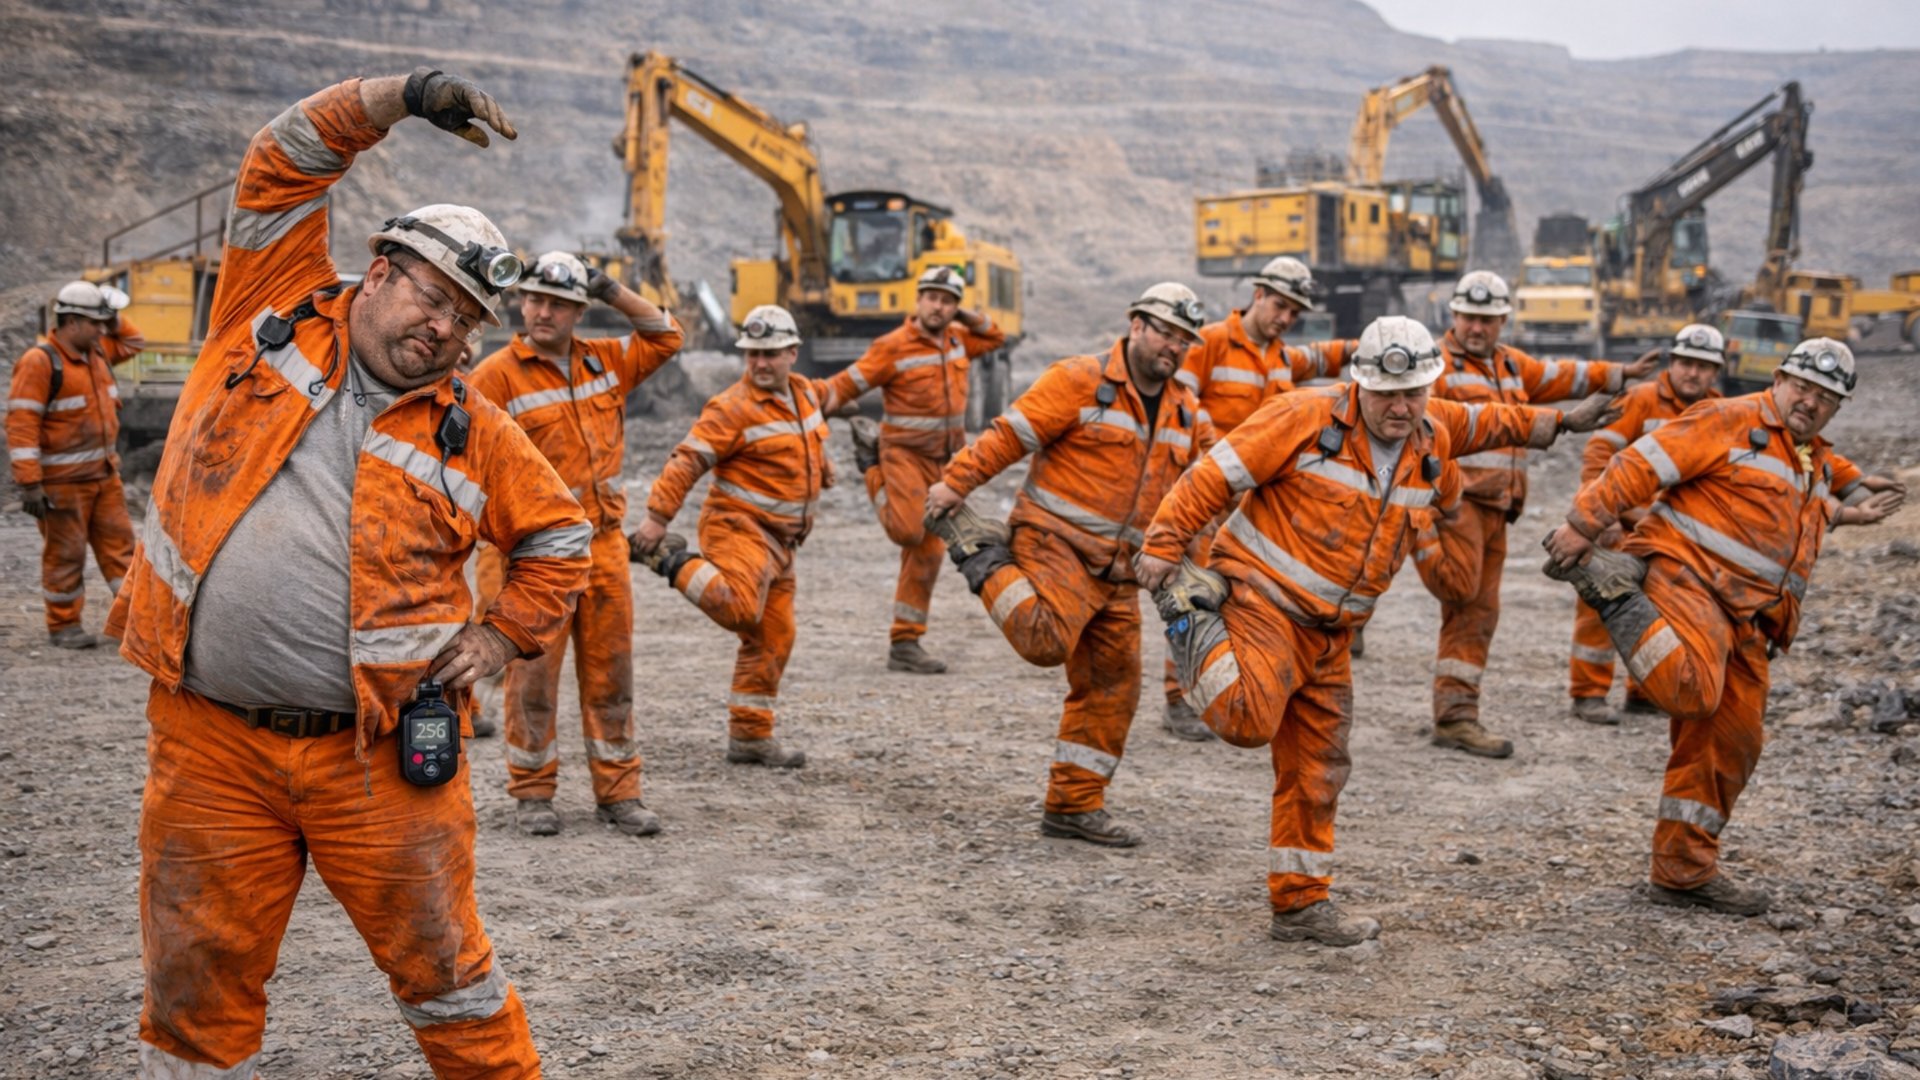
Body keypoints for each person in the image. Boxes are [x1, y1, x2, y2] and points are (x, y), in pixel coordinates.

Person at [106, 70, 584, 1077]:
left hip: (381, 759)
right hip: (210, 744)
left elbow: (559, 541)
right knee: (194, 990)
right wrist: (401, 96)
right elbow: (279, 161)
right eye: (433, 296)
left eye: (466, 318)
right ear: (377, 272)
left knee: (449, 978)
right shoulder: (263, 313)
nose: (445, 328)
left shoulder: (476, 431)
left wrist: (502, 636)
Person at [1136, 316, 1622, 944]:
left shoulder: (1434, 431)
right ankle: (1188, 614)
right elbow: (1212, 476)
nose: (1401, 407)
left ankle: (1301, 905)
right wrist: (1164, 546)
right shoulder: (1302, 417)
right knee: (1246, 718)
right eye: (1387, 394)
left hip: (1332, 633)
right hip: (1262, 602)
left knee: (1320, 767)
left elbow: (1493, 421)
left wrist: (1563, 422)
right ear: (1360, 384)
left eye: (1413, 394)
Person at [1544, 339, 1905, 915]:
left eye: (1825, 397)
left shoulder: (1809, 459)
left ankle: (1682, 872)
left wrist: (1856, 495)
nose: (1810, 402)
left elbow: (1806, 504)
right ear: (1778, 379)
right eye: (1803, 388)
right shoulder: (1728, 418)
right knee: (1692, 690)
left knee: (1733, 742)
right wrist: (1583, 526)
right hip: (1690, 578)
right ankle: (1615, 593)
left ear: (1837, 407)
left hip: (1751, 618)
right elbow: (1639, 463)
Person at [923, 283, 1214, 847]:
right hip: (1055, 542)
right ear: (1136, 325)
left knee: (1114, 686)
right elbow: (1010, 435)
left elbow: (1204, 491)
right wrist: (955, 484)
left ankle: (1073, 807)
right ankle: (979, 552)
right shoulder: (1080, 379)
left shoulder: (1186, 409)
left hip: (1120, 574)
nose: (1174, 347)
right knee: (1045, 639)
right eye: (1166, 333)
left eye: (1184, 340)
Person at [469, 251, 683, 837]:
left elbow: (667, 336)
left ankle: (620, 793)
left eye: (559, 304)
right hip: (532, 555)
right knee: (532, 677)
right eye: (535, 299)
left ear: (579, 312)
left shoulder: (606, 361)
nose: (543, 312)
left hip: (604, 546)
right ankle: (532, 791)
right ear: (521, 303)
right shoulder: (496, 375)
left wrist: (612, 288)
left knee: (612, 674)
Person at [1422, 270, 1655, 758]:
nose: (1476, 327)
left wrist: (1619, 374)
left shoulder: (1510, 366)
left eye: (1487, 319)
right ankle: (1454, 714)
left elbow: (1561, 375)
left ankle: (1457, 715)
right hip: (1459, 504)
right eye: (1468, 317)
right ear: (1454, 314)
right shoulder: (1438, 367)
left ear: (1503, 320)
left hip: (1497, 508)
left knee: (1482, 611)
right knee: (1465, 601)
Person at [1161, 255, 1358, 738]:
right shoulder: (1210, 343)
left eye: (1295, 311)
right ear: (1257, 296)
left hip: (1252, 508)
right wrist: (1215, 467)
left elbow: (1325, 357)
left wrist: (1373, 346)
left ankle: (1222, 693)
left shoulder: (1283, 359)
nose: (1286, 317)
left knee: (1239, 601)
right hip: (1209, 498)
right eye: (1279, 306)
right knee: (1193, 597)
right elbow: (1180, 406)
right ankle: (1178, 700)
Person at [629, 305, 832, 769]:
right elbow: (687, 460)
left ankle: (750, 736)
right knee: (739, 608)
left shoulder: (804, 394)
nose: (760, 363)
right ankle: (667, 559)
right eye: (752, 354)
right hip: (738, 527)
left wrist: (827, 467)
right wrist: (657, 518)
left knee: (775, 635)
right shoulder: (731, 407)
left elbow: (810, 439)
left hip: (782, 542)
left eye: (770, 353)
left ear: (793, 353)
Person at [817, 265, 1006, 674]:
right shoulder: (892, 347)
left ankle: (905, 642)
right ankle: (871, 466)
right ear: (918, 300)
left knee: (928, 552)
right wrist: (805, 406)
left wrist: (965, 315)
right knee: (907, 531)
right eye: (932, 298)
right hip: (902, 456)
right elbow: (843, 385)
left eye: (947, 301)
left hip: (946, 463)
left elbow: (996, 336)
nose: (938, 307)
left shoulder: (958, 339)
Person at [1568, 323, 1725, 725]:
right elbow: (1599, 453)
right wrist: (1598, 517)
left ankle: (1645, 692)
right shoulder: (1640, 399)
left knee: (1664, 614)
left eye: (1703, 367)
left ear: (1716, 372)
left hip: (1674, 538)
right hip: (1622, 528)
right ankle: (1588, 694)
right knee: (1601, 608)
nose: (1693, 373)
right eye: (1686, 363)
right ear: (1672, 363)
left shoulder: (1721, 414)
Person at [7, 280, 144, 648]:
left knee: (123, 552)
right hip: (62, 484)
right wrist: (30, 484)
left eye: (104, 323)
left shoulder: (97, 354)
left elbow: (135, 341)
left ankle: (135, 623)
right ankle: (64, 624)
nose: (102, 330)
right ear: (71, 323)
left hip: (104, 477)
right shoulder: (40, 362)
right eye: (95, 323)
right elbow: (22, 425)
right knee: (66, 555)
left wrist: (111, 316)